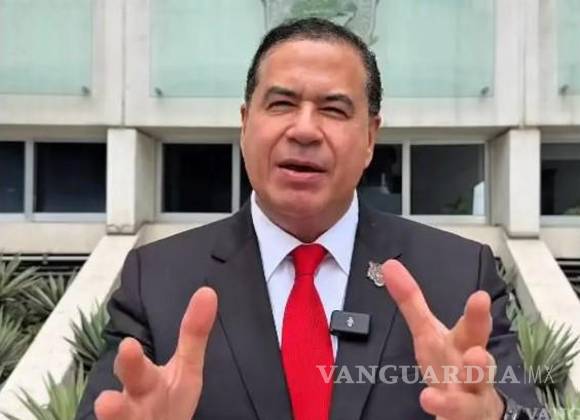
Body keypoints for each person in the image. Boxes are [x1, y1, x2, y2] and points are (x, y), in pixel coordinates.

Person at [76, 18, 546, 420]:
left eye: (333, 109)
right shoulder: (157, 279)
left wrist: (493, 413)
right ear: (245, 123)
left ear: (370, 137)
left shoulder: (459, 276)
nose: (304, 130)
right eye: (281, 104)